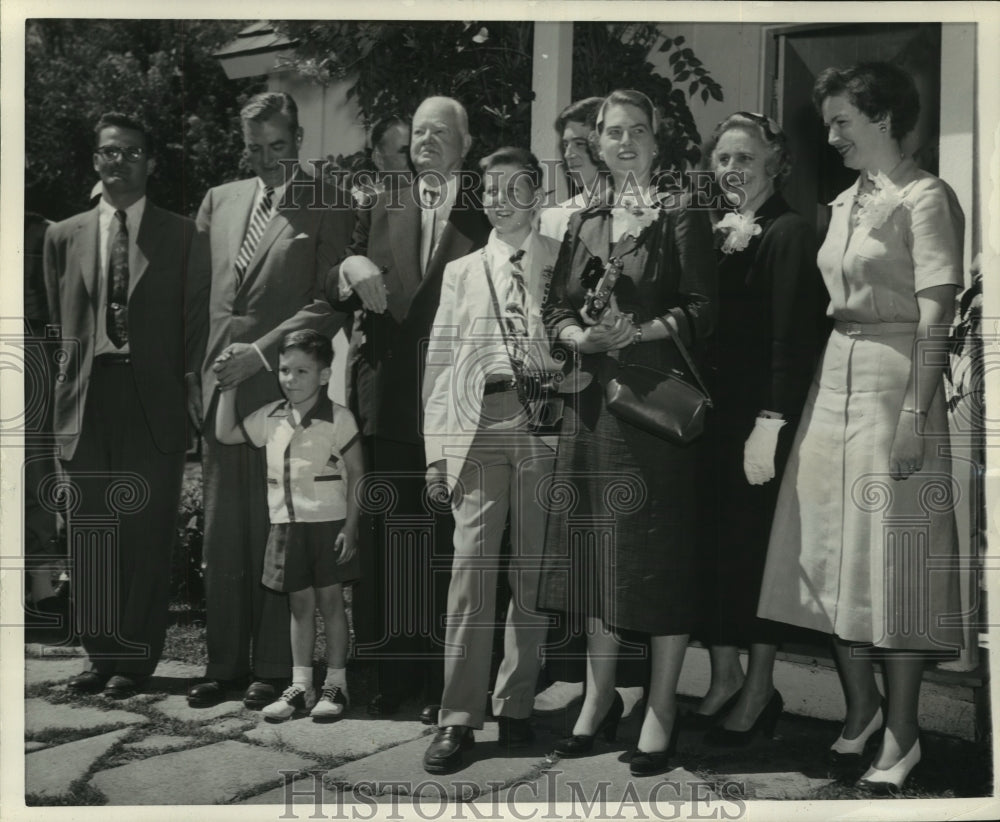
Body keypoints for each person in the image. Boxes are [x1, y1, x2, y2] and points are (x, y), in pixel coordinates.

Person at [758, 62, 965, 792]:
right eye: (831, 121)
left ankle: (904, 737)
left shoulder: (926, 197)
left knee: (892, 565)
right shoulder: (847, 200)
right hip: (834, 377)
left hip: (896, 380)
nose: (833, 133)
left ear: (883, 119)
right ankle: (862, 714)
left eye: (844, 119)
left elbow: (937, 316)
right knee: (831, 553)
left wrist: (917, 414)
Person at [539, 89, 717, 777]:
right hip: (592, 409)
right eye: (612, 133)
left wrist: (637, 331)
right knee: (595, 557)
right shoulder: (585, 217)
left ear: (656, 139)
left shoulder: (680, 211)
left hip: (652, 411)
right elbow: (554, 308)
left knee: (657, 559)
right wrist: (582, 333)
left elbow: (703, 308)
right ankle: (598, 697)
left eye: (636, 132)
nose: (623, 143)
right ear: (598, 143)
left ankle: (663, 705)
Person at [186, 91, 353, 710]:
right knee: (223, 534)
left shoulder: (328, 199)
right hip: (218, 390)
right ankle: (222, 663)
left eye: (277, 147)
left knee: (274, 530)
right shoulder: (220, 201)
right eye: (254, 148)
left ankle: (271, 666)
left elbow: (329, 302)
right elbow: (198, 300)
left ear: (300, 140)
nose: (266, 160)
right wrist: (193, 378)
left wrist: (260, 353)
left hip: (282, 386)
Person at [327, 96, 491, 722]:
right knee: (393, 544)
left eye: (441, 132)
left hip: (456, 405)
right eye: (419, 132)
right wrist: (349, 263)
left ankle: (437, 686)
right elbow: (333, 290)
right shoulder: (379, 202)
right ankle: (390, 679)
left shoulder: (487, 209)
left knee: (447, 550)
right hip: (390, 401)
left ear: (465, 143)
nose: (426, 141)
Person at [43, 112, 205, 698]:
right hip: (86, 397)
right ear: (96, 160)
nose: (119, 161)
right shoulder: (62, 235)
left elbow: (193, 324)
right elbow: (57, 322)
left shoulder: (182, 235)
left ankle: (134, 661)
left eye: (132, 152)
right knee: (90, 528)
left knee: (143, 530)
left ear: (151, 162)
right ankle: (98, 651)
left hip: (150, 396)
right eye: (109, 152)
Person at [421, 148, 561, 773]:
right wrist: (436, 456)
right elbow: (441, 364)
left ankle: (518, 704)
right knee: (471, 568)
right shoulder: (461, 271)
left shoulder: (564, 259)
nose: (500, 199)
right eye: (489, 189)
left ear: (537, 192)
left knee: (533, 570)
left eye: (514, 187)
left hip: (545, 424)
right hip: (480, 423)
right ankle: (457, 716)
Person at [691, 112, 829, 745]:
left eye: (745, 157)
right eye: (723, 158)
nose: (732, 170)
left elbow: (790, 339)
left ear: (776, 161)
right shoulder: (715, 232)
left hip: (758, 423)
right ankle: (722, 677)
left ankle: (759, 686)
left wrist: (770, 423)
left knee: (756, 557)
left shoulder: (790, 232)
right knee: (714, 553)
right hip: (711, 419)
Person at [215, 330, 363, 721]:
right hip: (286, 526)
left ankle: (336, 684)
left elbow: (358, 474)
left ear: (325, 375)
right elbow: (226, 434)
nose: (291, 379)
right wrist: (228, 388)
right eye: (284, 370)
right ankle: (301, 686)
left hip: (328, 526)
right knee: (299, 607)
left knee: (331, 604)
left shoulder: (339, 418)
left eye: (302, 371)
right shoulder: (271, 416)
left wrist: (351, 526)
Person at [539, 97, 605, 243]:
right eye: (565, 145)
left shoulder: (640, 212)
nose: (568, 154)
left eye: (580, 144)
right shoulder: (554, 219)